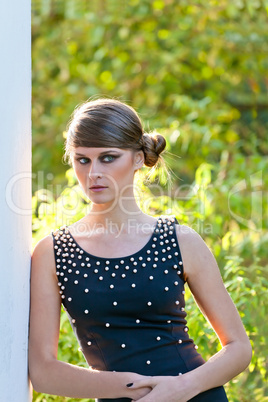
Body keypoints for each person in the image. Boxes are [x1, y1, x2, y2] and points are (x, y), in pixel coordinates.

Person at [29, 98, 252, 402]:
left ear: (137, 159)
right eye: (83, 159)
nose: (93, 172)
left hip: (196, 395)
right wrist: (136, 388)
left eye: (108, 158)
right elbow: (43, 371)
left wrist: (181, 387)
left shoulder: (179, 240)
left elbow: (238, 348)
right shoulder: (52, 252)